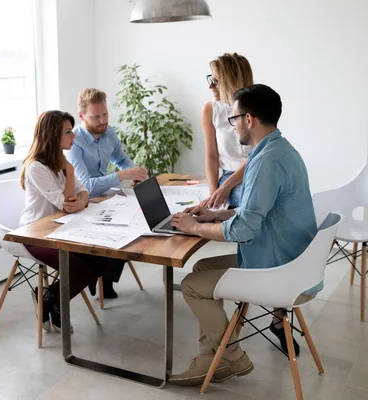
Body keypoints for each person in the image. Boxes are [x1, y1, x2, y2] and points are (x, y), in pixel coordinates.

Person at [169, 84, 319, 386]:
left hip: (279, 270)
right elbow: (258, 213)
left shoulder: (265, 162)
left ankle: (232, 355)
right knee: (201, 269)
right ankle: (213, 358)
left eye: (234, 118)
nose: (233, 125)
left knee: (192, 285)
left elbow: (244, 230)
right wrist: (217, 214)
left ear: (249, 119)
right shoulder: (279, 150)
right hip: (289, 258)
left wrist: (194, 227)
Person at [19, 110, 108, 332]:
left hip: (64, 229)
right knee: (75, 267)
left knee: (101, 262)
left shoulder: (59, 160)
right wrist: (68, 172)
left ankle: (49, 298)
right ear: (52, 135)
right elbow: (66, 202)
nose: (73, 136)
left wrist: (82, 202)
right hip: (37, 236)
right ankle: (54, 301)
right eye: (68, 132)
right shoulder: (37, 168)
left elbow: (81, 191)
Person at [65, 88, 148, 298]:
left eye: (105, 114)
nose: (102, 121)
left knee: (139, 223)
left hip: (104, 199)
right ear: (82, 116)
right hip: (83, 203)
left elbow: (121, 160)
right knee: (124, 229)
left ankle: (105, 276)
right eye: (96, 117)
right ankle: (102, 275)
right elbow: (87, 186)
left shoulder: (108, 132)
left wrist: (135, 172)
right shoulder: (74, 143)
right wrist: (124, 175)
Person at [201, 53, 254, 209]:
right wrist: (213, 194)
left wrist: (225, 188)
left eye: (217, 82)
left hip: (257, 172)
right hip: (229, 174)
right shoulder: (211, 110)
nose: (211, 86)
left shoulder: (257, 108)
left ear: (234, 82)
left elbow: (259, 153)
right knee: (249, 198)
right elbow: (211, 156)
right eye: (211, 79)